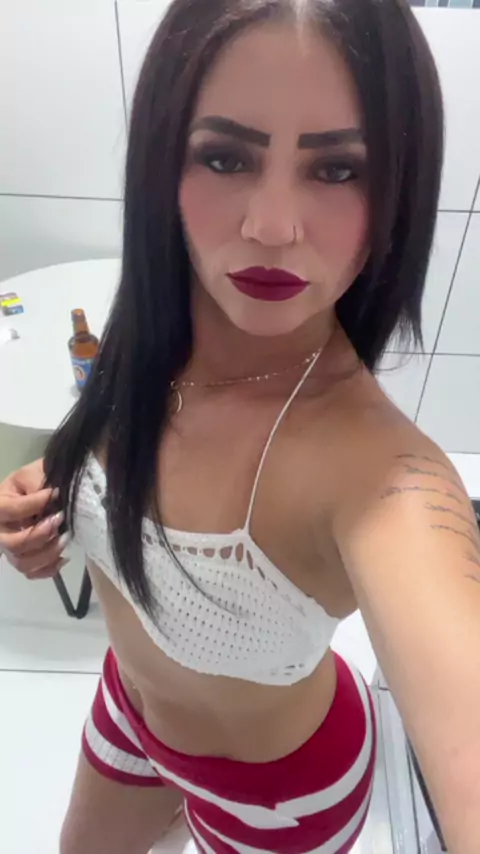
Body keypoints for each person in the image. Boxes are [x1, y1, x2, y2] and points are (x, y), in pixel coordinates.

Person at [1, 0, 480, 851]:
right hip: (126, 712)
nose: (270, 227)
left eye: (338, 170)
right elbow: (117, 455)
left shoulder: (384, 481)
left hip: (282, 795)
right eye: (225, 157)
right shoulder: (156, 329)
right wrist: (49, 490)